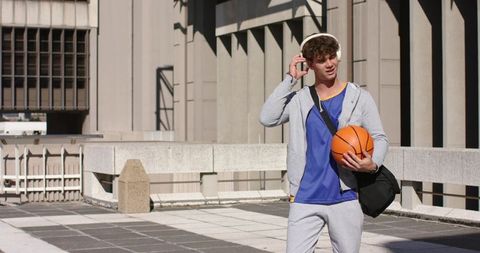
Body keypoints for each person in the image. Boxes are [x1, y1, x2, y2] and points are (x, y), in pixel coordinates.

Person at [259, 33, 389, 253]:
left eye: (332, 57)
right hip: (305, 197)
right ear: (310, 64)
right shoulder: (300, 99)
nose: (329, 64)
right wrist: (290, 79)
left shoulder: (359, 97)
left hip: (346, 196)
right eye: (321, 60)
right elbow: (267, 117)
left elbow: (380, 137)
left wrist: (373, 163)